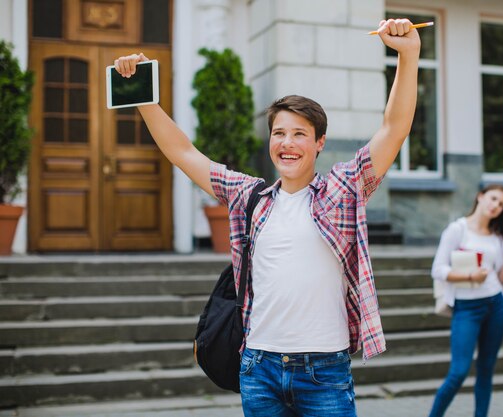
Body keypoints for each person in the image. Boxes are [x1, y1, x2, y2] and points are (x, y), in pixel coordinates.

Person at [114, 18, 421, 417]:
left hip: (324, 370)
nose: (287, 143)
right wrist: (142, 95)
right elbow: (184, 153)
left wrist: (407, 56)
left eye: (299, 134)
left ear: (319, 142)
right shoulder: (249, 196)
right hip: (259, 367)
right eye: (279, 133)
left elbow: (394, 129)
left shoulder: (341, 190)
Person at [429, 185, 503, 417]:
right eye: (492, 199)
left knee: (486, 369)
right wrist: (469, 276)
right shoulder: (457, 229)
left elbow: (500, 279)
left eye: (500, 204)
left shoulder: (499, 237)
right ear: (480, 196)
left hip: (495, 305)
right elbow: (438, 270)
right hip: (466, 308)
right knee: (458, 372)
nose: (495, 206)